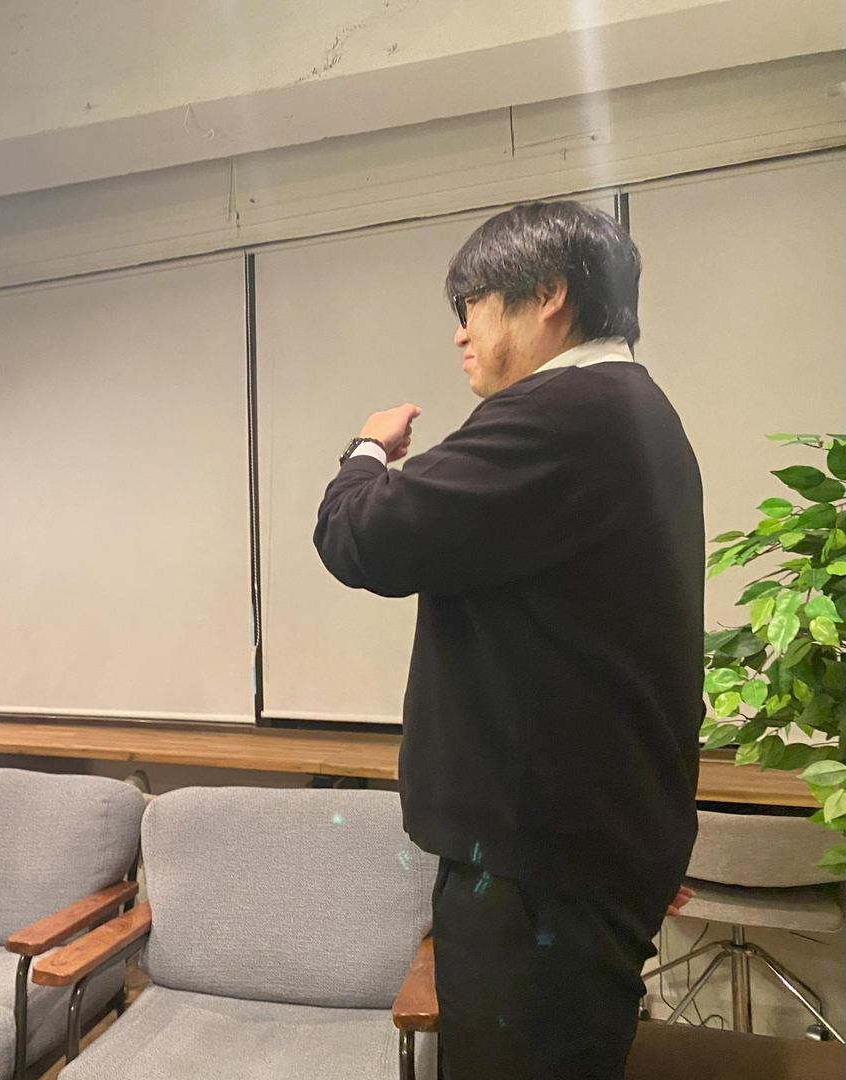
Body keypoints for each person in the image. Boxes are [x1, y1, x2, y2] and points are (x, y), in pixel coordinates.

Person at [315, 202, 703, 1079]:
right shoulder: (632, 412)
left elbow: (361, 537)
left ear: (549, 294)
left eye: (472, 306)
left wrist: (366, 450)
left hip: (537, 870)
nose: (461, 334)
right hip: (571, 851)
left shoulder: (564, 413)